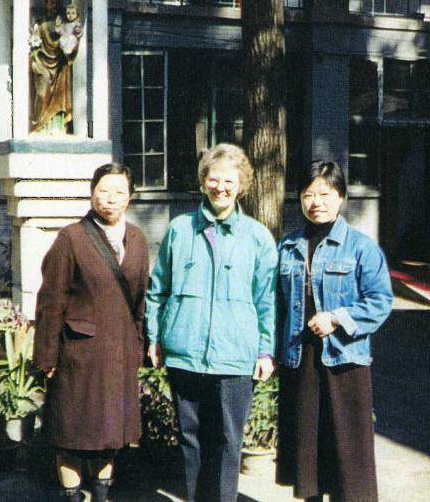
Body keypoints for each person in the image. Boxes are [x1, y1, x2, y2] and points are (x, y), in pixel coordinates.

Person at [145, 143, 278, 502]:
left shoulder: (257, 237)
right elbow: (158, 288)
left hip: (235, 356)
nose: (221, 187)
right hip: (184, 352)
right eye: (213, 179)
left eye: (229, 181)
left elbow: (267, 299)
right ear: (203, 182)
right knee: (190, 438)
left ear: (242, 185)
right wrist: (155, 337)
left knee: (227, 441)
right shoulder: (179, 230)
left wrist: (266, 350)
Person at [276, 161, 393, 502]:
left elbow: (380, 302)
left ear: (341, 197)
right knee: (309, 449)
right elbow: (278, 306)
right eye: (308, 195)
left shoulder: (361, 247)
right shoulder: (288, 246)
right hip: (301, 358)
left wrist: (337, 318)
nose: (316, 202)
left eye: (325, 194)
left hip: (345, 359)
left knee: (348, 452)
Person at [33, 163, 149, 502]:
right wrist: (46, 355)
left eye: (119, 193)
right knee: (70, 433)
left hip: (120, 354)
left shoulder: (138, 240)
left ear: (130, 198)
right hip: (78, 355)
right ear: (91, 192)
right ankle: (71, 497)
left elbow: (141, 298)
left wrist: (138, 346)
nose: (110, 199)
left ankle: (101, 496)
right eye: (104, 191)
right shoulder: (71, 238)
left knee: (110, 434)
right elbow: (50, 301)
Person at [30, 0, 74, 134]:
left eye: (56, 2)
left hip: (59, 64)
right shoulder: (40, 22)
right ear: (46, 4)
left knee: (60, 97)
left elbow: (68, 45)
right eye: (51, 2)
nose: (53, 5)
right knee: (42, 94)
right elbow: (35, 44)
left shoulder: (63, 24)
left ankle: (57, 127)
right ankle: (38, 126)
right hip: (43, 62)